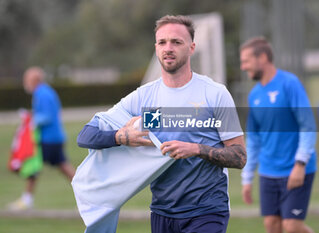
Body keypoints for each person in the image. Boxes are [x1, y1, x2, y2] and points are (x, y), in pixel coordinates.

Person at [77, 15, 246, 233]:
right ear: (156, 47)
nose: (168, 48)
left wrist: (195, 149)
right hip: (162, 211)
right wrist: (120, 137)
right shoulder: (144, 98)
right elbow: (85, 135)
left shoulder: (214, 94)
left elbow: (239, 156)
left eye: (176, 42)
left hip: (207, 210)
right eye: (162, 42)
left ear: (192, 47)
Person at [240, 37, 317, 233]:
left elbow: (307, 126)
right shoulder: (254, 95)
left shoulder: (290, 83)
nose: (243, 67)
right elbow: (254, 139)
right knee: (272, 226)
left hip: (295, 170)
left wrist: (300, 164)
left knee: (291, 226)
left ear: (263, 57)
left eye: (246, 61)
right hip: (268, 171)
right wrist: (247, 177)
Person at [8, 67, 75, 210]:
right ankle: (27, 199)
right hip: (51, 138)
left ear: (35, 80)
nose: (25, 83)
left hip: (49, 139)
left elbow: (47, 116)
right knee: (45, 168)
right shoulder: (44, 92)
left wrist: (32, 120)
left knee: (37, 168)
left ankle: (26, 200)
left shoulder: (42, 93)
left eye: (27, 80)